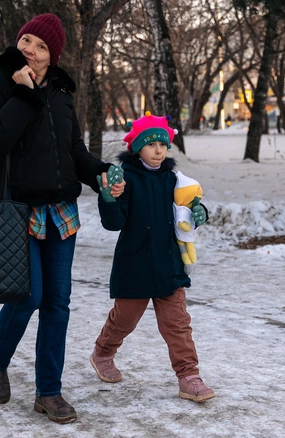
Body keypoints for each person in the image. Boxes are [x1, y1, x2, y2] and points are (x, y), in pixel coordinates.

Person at [0, 13, 125, 424]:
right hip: (16, 210)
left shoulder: (60, 91)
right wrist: (23, 95)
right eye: (26, 40)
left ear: (52, 56)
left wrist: (99, 173)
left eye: (41, 46)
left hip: (60, 212)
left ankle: (49, 392)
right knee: (29, 295)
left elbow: (72, 149)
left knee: (58, 303)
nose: (30, 49)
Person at [89, 112, 216, 403]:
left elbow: (189, 207)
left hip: (169, 265)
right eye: (151, 144)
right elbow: (114, 223)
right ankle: (103, 352)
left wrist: (200, 214)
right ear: (136, 147)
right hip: (135, 264)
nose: (158, 149)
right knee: (125, 320)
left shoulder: (174, 179)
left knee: (177, 323)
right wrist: (109, 198)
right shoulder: (126, 180)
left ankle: (189, 377)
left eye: (163, 143)